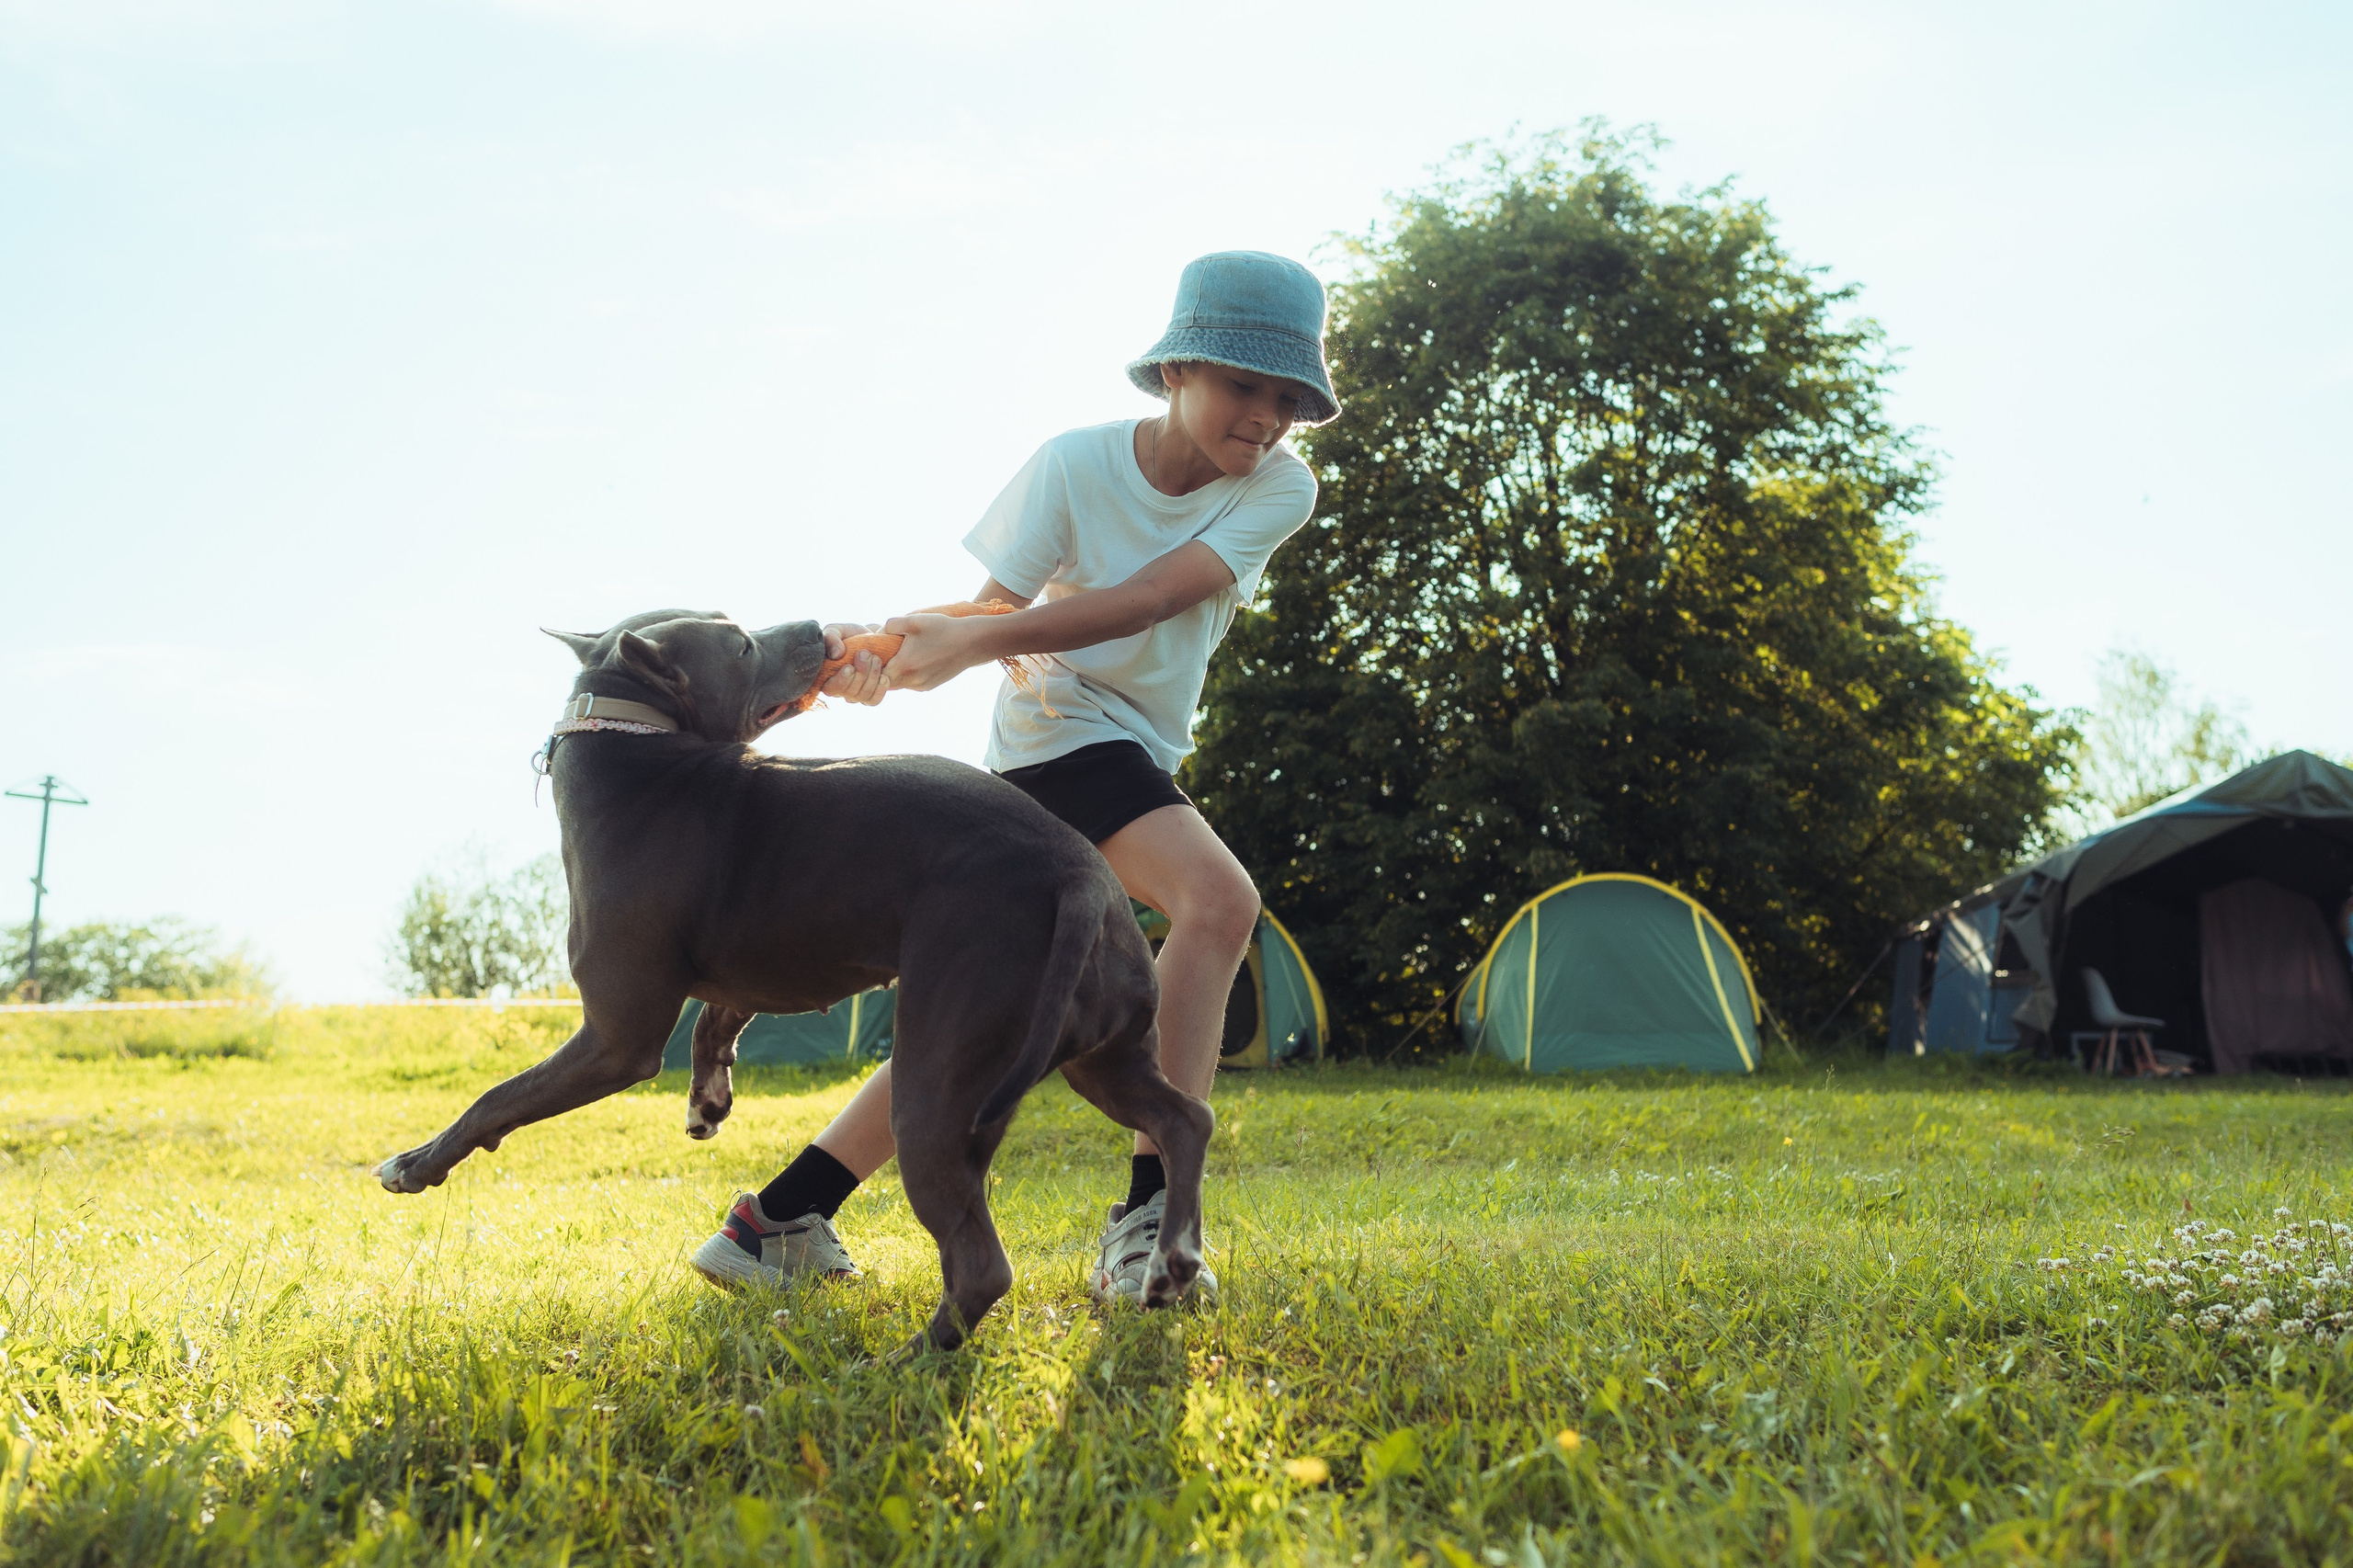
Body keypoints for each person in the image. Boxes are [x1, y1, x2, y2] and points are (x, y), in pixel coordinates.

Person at [690, 251, 1338, 1304]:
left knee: (988, 1013)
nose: (1265, 417)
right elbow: (998, 609)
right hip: (1055, 733)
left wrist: (957, 643)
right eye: (1242, 384)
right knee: (1217, 902)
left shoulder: (1280, 487)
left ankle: (780, 1216)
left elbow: (1144, 600)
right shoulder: (1073, 465)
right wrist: (898, 652)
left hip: (1127, 744)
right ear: (1177, 370)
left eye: (1286, 397)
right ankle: (1146, 1223)